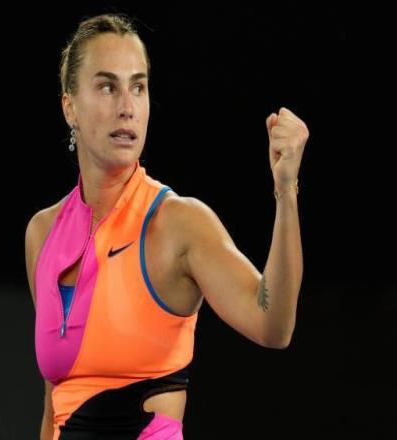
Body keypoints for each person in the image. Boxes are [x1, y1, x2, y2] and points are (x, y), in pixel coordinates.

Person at [24, 13, 308, 440]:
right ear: (70, 107)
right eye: (108, 87)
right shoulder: (42, 234)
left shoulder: (178, 223)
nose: (127, 106)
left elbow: (274, 325)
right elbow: (53, 406)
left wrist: (286, 192)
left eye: (138, 87)